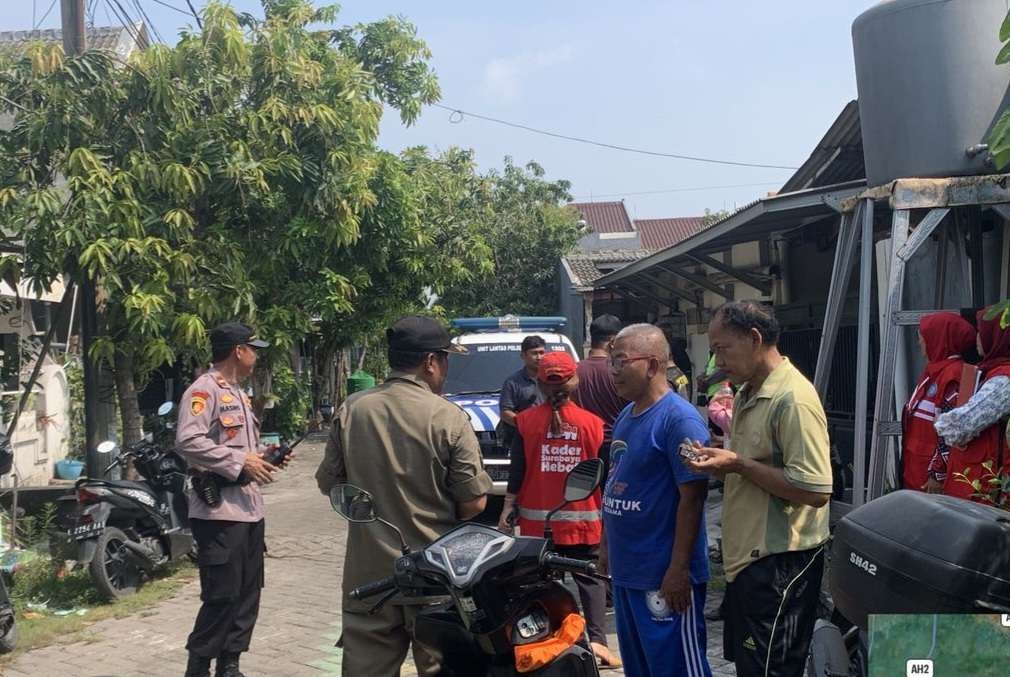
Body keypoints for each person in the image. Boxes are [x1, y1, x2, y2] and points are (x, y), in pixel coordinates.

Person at [315, 315, 493, 677]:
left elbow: (329, 484)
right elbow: (474, 503)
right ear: (430, 362)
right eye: (445, 360)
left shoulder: (353, 409)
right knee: (445, 669)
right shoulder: (448, 417)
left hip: (369, 576)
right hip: (436, 575)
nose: (445, 369)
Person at [684, 301, 832, 677]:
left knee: (772, 669)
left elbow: (814, 489)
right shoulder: (750, 390)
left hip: (780, 560)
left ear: (754, 339)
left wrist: (737, 464)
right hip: (749, 560)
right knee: (753, 667)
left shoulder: (793, 398)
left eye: (721, 349)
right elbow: (756, 468)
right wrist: (724, 463)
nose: (715, 363)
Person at [600, 323, 711, 677]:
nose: (613, 371)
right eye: (611, 362)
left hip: (663, 577)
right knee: (640, 668)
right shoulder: (626, 416)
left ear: (650, 365)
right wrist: (606, 545)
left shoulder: (679, 420)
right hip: (628, 572)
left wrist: (679, 570)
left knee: (676, 667)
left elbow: (691, 500)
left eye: (620, 361)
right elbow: (617, 480)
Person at [498, 351, 621, 668]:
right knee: (591, 582)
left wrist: (507, 510)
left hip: (539, 527)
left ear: (538, 383)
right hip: (583, 523)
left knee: (538, 584)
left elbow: (517, 472)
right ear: (575, 382)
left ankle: (541, 641)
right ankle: (597, 644)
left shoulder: (525, 423)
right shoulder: (594, 425)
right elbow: (603, 475)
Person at [176, 322, 286, 677]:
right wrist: (240, 461)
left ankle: (230, 664)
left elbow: (240, 450)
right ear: (238, 350)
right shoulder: (204, 391)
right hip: (218, 513)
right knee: (221, 595)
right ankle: (198, 666)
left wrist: (264, 456)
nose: (257, 356)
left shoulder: (238, 392)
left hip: (249, 510)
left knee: (247, 593)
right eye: (254, 349)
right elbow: (188, 441)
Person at [933, 307, 1010, 501]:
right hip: (975, 483)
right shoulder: (991, 371)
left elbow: (958, 426)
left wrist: (939, 419)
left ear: (997, 336)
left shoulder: (1003, 381)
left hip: (984, 490)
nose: (977, 337)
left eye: (982, 331)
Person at [902, 312, 976, 493]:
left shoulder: (954, 376)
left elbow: (952, 430)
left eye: (924, 338)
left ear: (938, 339)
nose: (920, 343)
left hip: (932, 485)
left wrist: (937, 474)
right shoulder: (933, 373)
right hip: (917, 475)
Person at [575, 314, 627, 480]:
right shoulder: (619, 372)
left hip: (584, 447)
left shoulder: (575, 371)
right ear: (613, 341)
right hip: (617, 447)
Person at [499, 335, 547, 448]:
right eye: (534, 353)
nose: (539, 357)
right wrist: (527, 425)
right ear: (523, 356)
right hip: (523, 439)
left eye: (541, 352)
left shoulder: (552, 378)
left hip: (550, 438)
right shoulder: (512, 382)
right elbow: (505, 412)